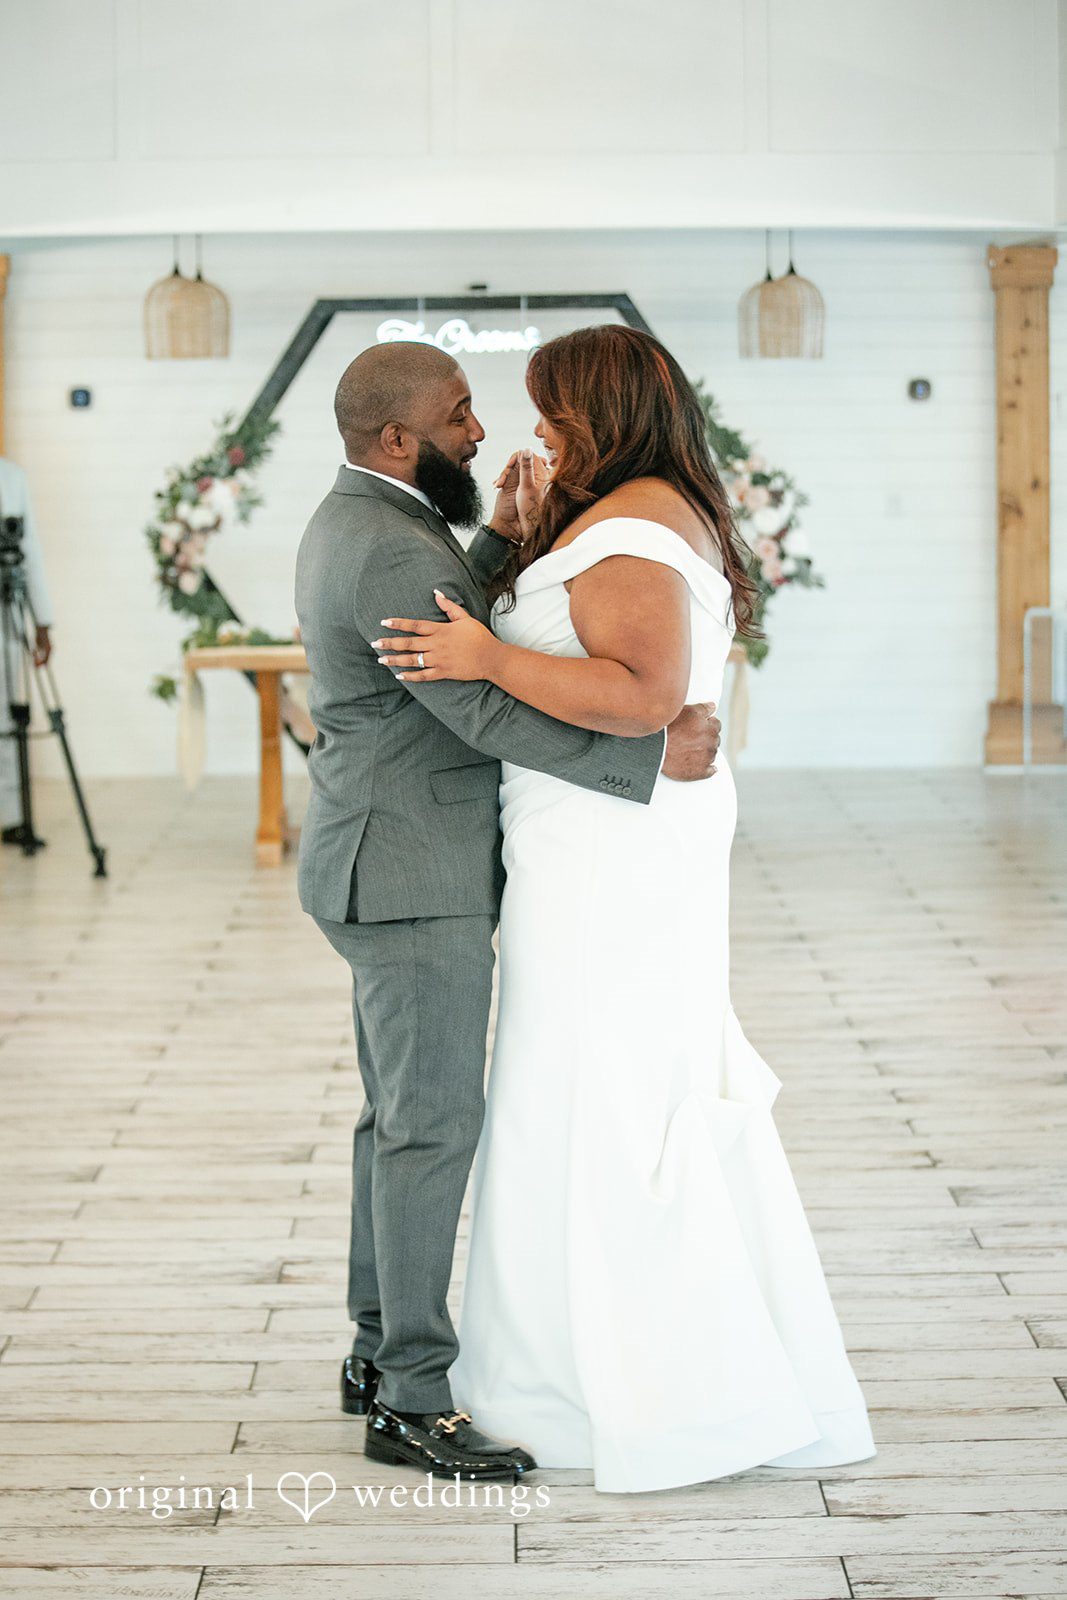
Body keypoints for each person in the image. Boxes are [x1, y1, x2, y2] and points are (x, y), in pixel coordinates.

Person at [375, 324, 877, 1493]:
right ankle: (598, 1360)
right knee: (582, 1076)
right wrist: (515, 536)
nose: (533, 425)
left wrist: (486, 660)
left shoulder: (643, 522)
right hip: (587, 836)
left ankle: (621, 1383)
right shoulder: (624, 508)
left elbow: (644, 694)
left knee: (595, 1082)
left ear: (602, 408)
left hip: (615, 845)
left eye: (550, 406)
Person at [293, 341, 721, 1483]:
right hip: (406, 873)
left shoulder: (369, 515)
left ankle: (373, 1349)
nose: (482, 433)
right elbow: (472, 710)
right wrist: (642, 749)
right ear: (398, 441)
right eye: (459, 414)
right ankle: (413, 1399)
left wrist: (495, 544)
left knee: (398, 1120)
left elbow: (449, 617)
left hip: (382, 856)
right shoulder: (382, 540)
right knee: (430, 1127)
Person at [0, 456, 54, 847]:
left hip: (6, 615)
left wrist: (42, 621)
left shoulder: (11, 476)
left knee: (7, 714)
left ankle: (11, 817)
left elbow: (29, 547)